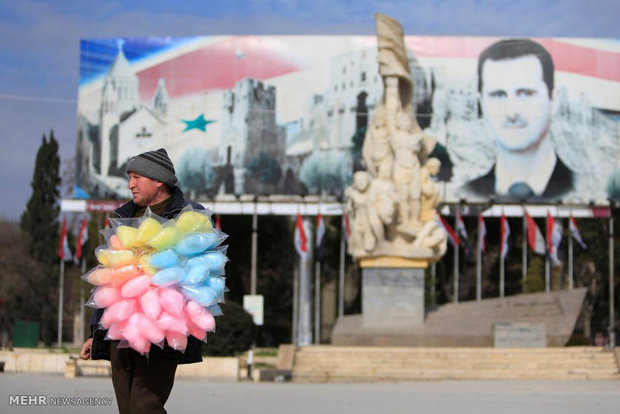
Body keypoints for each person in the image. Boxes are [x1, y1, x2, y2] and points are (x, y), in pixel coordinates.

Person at [80, 148, 204, 414]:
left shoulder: (189, 217)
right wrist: (96, 332)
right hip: (120, 328)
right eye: (129, 177)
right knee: (127, 408)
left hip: (165, 329)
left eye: (136, 177)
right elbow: (109, 278)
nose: (130, 185)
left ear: (158, 180)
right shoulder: (123, 216)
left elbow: (202, 277)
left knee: (144, 406)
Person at [462, 38, 574, 201]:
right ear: (482, 103)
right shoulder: (468, 191)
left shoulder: (579, 188)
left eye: (525, 94)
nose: (512, 112)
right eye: (498, 95)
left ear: (554, 100)